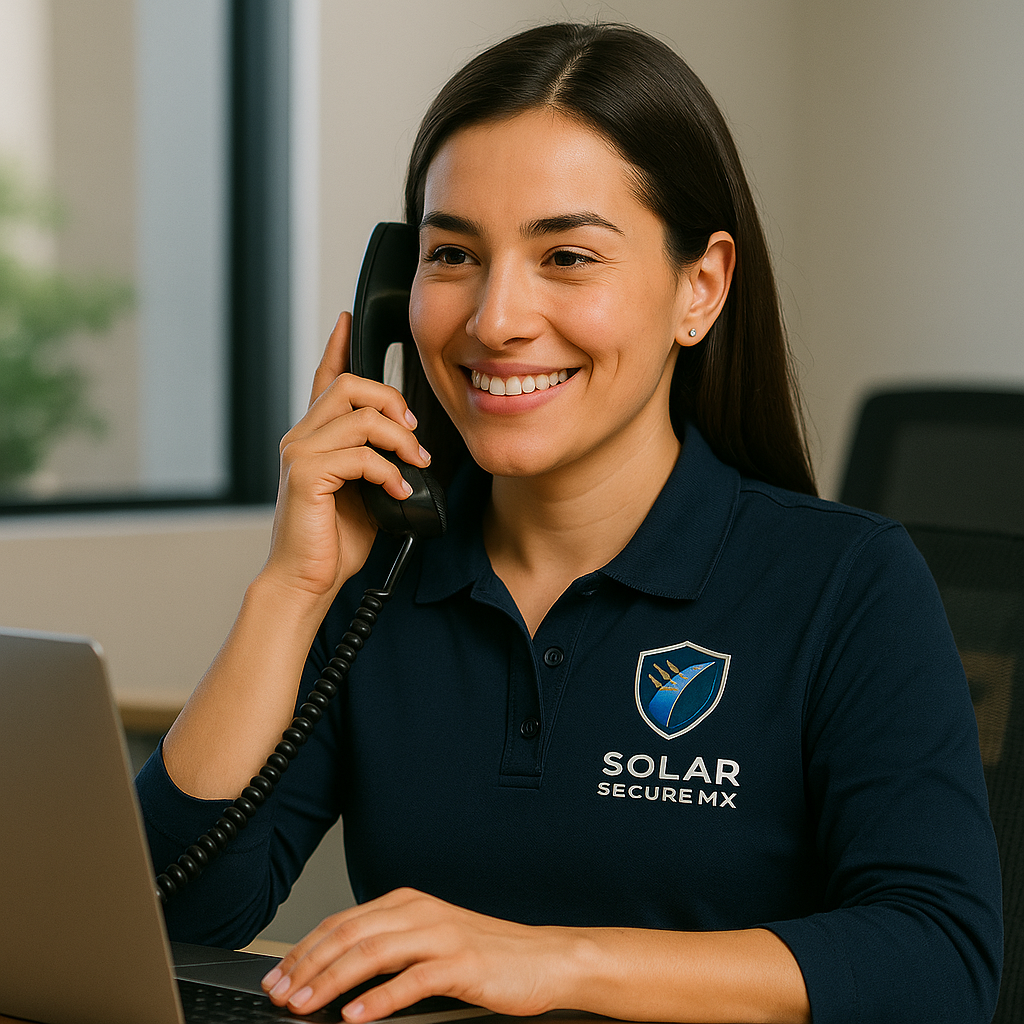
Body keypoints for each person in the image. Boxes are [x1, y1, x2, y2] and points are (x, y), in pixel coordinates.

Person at [136, 21, 1003, 1024]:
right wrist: (290, 592)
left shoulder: (846, 581)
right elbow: (172, 919)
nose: (495, 317)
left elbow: (938, 963)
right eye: (451, 252)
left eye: (568, 255)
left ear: (700, 287)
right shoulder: (378, 584)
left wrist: (556, 961)